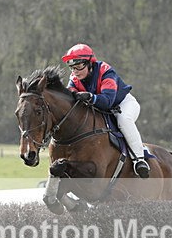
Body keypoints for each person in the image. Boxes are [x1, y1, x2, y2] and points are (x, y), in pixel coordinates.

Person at [61, 43, 150, 178]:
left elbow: (107, 101)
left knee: (123, 120)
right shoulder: (74, 78)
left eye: (79, 66)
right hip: (103, 109)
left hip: (123, 104)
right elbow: (70, 95)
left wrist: (90, 97)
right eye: (72, 68)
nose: (75, 71)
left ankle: (139, 159)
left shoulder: (106, 71)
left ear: (90, 63)